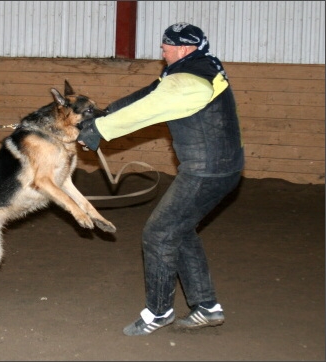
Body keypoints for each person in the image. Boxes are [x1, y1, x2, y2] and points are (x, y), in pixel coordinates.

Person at [77, 22, 244, 336]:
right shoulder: (196, 68)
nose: (162, 51)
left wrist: (97, 132)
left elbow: (148, 110)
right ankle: (207, 307)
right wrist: (104, 112)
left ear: (182, 48)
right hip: (220, 168)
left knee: (158, 234)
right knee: (179, 231)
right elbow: (150, 93)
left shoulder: (187, 82)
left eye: (166, 46)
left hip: (206, 172)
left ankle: (159, 312)